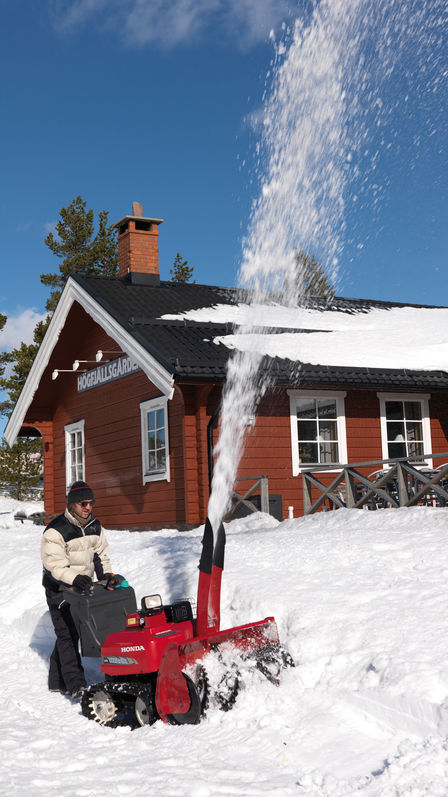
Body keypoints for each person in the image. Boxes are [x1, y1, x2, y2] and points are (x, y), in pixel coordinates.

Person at [41, 480, 120, 698]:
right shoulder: (55, 530)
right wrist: (74, 579)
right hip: (59, 588)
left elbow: (100, 555)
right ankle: (76, 685)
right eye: (83, 503)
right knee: (67, 634)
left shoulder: (95, 525)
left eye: (91, 503)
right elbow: (54, 565)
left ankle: (56, 680)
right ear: (72, 504)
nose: (88, 507)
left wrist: (106, 577)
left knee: (73, 632)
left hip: (82, 588)